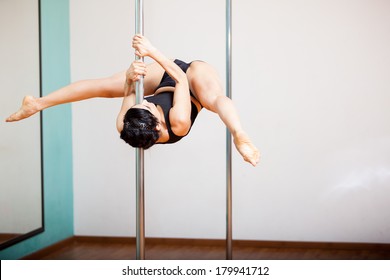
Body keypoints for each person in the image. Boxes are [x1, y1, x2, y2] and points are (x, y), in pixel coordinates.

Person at [6, 35, 259, 166]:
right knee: (214, 99)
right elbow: (181, 77)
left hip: (166, 80)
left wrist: (130, 77)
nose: (145, 101)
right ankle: (238, 133)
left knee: (105, 86)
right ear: (159, 124)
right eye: (148, 105)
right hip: (190, 79)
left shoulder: (124, 125)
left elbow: (130, 92)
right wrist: (151, 51)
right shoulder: (179, 122)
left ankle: (38, 103)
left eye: (145, 103)